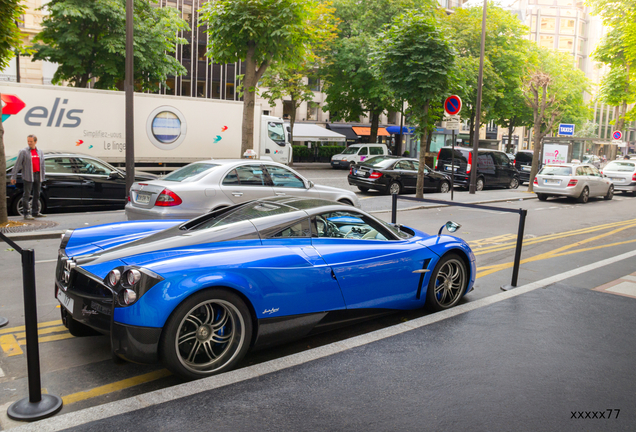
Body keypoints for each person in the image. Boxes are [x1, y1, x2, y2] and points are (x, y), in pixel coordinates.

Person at [11, 134, 46, 220]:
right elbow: (17, 165)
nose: (29, 143)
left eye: (31, 141)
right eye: (28, 141)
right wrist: (13, 176)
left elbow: (42, 165)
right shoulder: (23, 152)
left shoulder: (40, 152)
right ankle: (26, 213)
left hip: (38, 174)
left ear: (35, 142)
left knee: (37, 194)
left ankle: (35, 211)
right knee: (26, 194)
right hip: (28, 175)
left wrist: (43, 176)